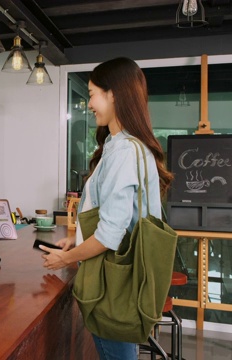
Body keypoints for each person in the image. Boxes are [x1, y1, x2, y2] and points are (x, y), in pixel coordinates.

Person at [40, 57, 173, 360]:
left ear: (113, 94)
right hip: (125, 277)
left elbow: (111, 234)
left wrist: (67, 257)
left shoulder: (124, 151)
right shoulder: (126, 146)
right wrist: (76, 239)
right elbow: (116, 218)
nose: (89, 103)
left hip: (114, 283)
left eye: (91, 94)